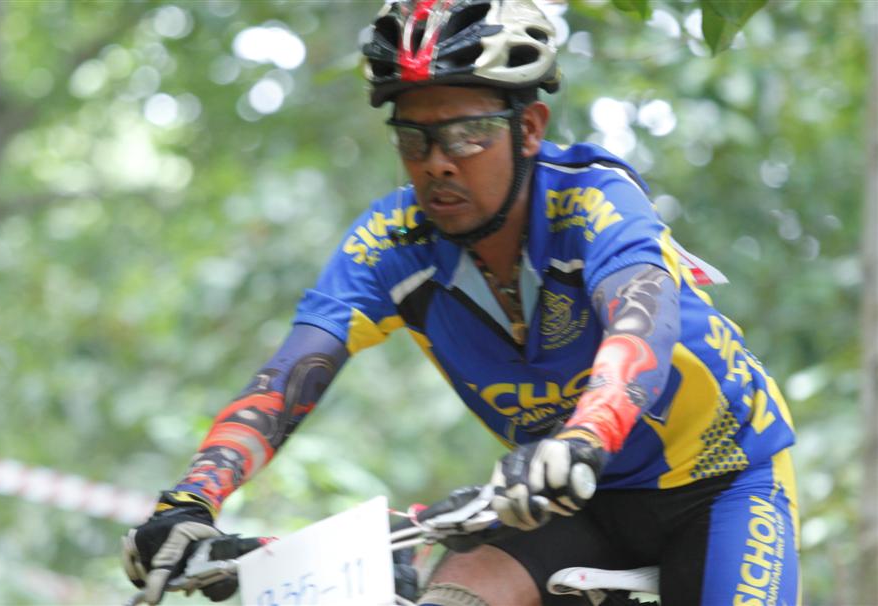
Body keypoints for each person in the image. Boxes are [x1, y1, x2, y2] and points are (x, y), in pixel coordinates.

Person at [122, 1, 800, 605]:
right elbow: (286, 380)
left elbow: (639, 321)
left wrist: (583, 438)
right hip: (571, 501)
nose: (436, 163)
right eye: (412, 139)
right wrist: (191, 500)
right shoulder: (391, 244)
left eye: (467, 134)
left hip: (722, 481)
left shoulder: (592, 199)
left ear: (529, 128)